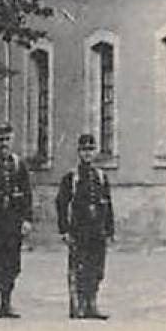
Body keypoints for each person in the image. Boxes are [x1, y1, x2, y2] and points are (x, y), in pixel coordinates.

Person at [56, 133, 115, 320]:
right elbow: (61, 204)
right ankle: (78, 305)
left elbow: (108, 204)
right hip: (79, 231)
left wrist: (110, 230)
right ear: (79, 152)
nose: (88, 154)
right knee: (78, 268)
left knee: (97, 269)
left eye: (91, 150)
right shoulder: (71, 178)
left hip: (97, 230)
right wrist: (64, 230)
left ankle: (92, 303)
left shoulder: (100, 177)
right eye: (84, 150)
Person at [0, 124, 33, 319]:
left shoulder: (19, 165)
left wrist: (27, 219)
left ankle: (6, 302)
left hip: (13, 223)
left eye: (6, 140)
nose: (3, 144)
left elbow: (27, 194)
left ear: (12, 141)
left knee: (12, 264)